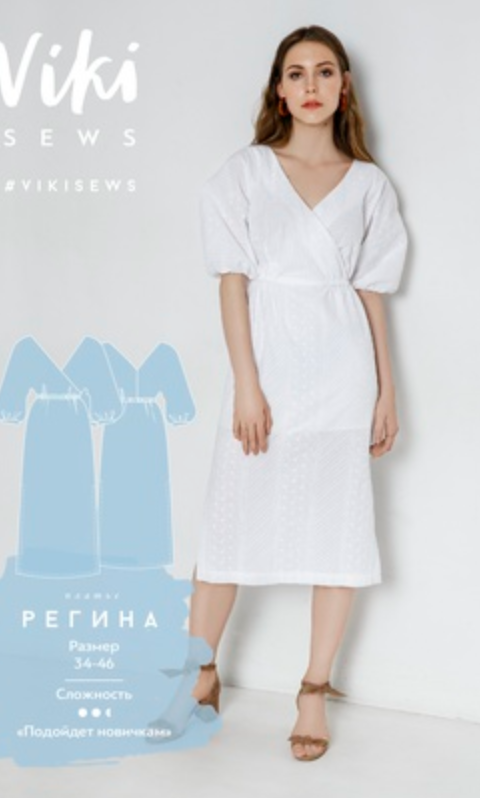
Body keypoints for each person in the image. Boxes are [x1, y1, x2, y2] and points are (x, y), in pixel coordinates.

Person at [189, 24, 408, 761]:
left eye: (324, 71)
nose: (310, 85)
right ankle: (198, 671)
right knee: (226, 524)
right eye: (295, 73)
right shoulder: (247, 172)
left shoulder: (369, 184)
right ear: (278, 91)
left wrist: (386, 391)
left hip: (341, 374)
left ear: (343, 85)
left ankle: (313, 689)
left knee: (338, 533)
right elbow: (232, 282)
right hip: (267, 371)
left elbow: (371, 292)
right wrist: (247, 387)